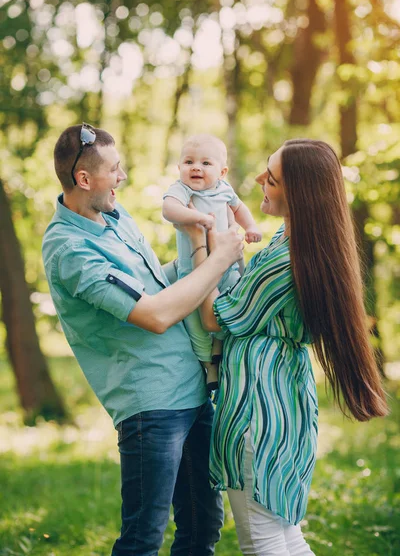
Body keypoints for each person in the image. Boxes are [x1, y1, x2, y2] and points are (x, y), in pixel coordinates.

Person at [41, 123, 244, 556]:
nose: (123, 178)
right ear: (84, 179)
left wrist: (200, 249)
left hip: (192, 393)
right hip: (151, 409)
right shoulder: (70, 249)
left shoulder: (115, 217)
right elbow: (155, 314)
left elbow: (159, 283)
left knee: (202, 530)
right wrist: (220, 255)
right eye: (115, 170)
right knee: (143, 539)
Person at [182, 139, 388, 556]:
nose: (259, 180)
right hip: (285, 405)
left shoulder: (286, 258)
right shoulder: (301, 245)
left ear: (298, 193)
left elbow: (213, 318)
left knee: (262, 542)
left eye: (271, 178)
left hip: (258, 413)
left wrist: (202, 244)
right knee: (285, 536)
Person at [163, 133, 261, 389]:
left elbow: (239, 209)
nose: (196, 167)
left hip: (227, 269)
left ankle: (219, 351)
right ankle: (209, 366)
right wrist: (196, 218)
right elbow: (168, 209)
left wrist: (249, 226)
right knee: (196, 324)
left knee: (225, 313)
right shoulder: (181, 189)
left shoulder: (224, 189)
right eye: (189, 162)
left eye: (206, 163)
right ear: (179, 168)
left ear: (222, 171)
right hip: (193, 273)